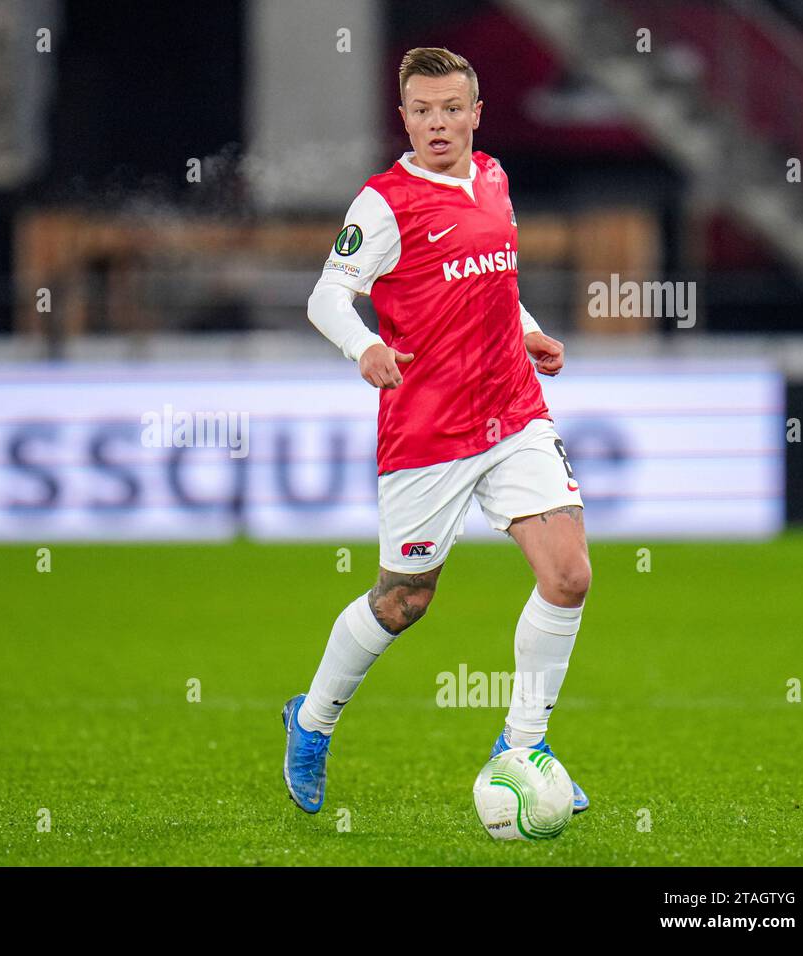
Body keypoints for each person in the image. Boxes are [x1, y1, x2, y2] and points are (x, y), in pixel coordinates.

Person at [283, 47, 591, 815]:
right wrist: (367, 347)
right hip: (428, 432)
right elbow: (327, 297)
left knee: (569, 575)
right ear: (405, 117)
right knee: (404, 601)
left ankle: (523, 746)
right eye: (422, 110)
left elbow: (490, 283)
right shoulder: (384, 203)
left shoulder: (493, 179)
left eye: (452, 108)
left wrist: (527, 331)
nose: (438, 123)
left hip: (514, 410)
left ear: (476, 113)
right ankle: (312, 720)